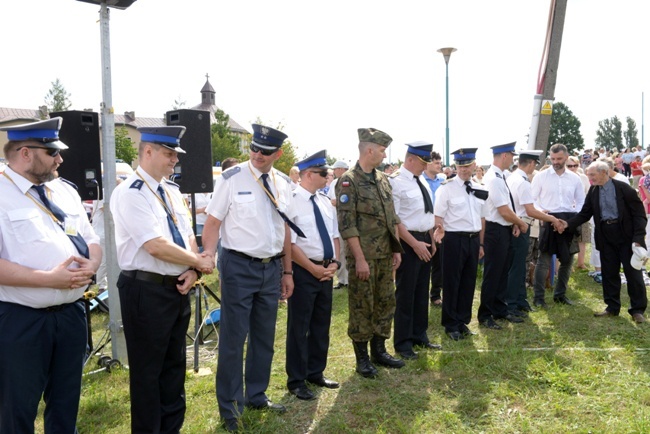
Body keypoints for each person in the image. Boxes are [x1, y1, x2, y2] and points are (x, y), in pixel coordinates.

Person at [0, 117, 101, 433]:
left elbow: (90, 237)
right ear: (25, 153)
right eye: (52, 152)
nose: (60, 159)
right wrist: (48, 280)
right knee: (17, 408)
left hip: (71, 315)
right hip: (21, 321)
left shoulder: (64, 190)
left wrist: (92, 264)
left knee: (65, 403)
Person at [111, 126, 213, 434]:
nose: (174, 161)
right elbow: (154, 245)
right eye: (169, 154)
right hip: (145, 291)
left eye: (176, 155)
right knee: (147, 375)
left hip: (177, 289)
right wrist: (199, 261)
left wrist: (194, 269)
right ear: (148, 152)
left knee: (173, 369)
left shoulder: (171, 191)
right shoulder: (131, 193)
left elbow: (184, 238)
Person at [202, 124, 295, 432]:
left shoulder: (282, 182)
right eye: (253, 148)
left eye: (264, 152)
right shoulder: (231, 179)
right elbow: (213, 222)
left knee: (263, 337)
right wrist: (208, 257)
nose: (256, 154)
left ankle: (257, 393)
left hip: (271, 268)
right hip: (239, 266)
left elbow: (285, 230)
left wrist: (287, 270)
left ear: (277, 155)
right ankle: (230, 407)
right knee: (233, 339)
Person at [335, 127, 404, 378]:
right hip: (363, 257)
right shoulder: (348, 181)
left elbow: (391, 217)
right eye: (383, 150)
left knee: (386, 301)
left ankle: (379, 350)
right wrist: (360, 259)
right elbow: (347, 224)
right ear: (370, 149)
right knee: (363, 305)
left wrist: (396, 248)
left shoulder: (383, 179)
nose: (385, 156)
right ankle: (362, 358)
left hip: (385, 254)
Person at [560, 161, 647, 323]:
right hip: (606, 237)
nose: (589, 178)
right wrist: (567, 224)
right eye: (589, 175)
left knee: (633, 274)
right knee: (608, 273)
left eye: (592, 175)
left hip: (626, 236)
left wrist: (638, 238)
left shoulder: (624, 189)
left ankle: (637, 310)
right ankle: (612, 307)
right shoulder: (593, 191)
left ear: (604, 173)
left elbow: (639, 215)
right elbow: (585, 213)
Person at [286, 150, 341, 401]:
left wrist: (335, 263)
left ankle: (315, 372)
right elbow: (290, 244)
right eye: (323, 173)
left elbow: (334, 236)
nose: (327, 177)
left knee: (321, 323)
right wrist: (313, 268)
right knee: (300, 327)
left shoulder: (322, 201)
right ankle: (296, 380)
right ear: (308, 174)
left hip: (326, 270)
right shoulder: (292, 200)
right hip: (304, 271)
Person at [389, 142, 442, 360]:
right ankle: (403, 343)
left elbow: (426, 214)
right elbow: (395, 220)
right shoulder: (396, 182)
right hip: (408, 242)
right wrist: (415, 244)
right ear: (411, 160)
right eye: (423, 162)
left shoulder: (420, 180)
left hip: (425, 238)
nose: (426, 166)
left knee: (421, 291)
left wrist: (431, 238)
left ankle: (420, 335)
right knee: (406, 293)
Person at [433, 148, 487, 341]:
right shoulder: (446, 188)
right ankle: (450, 324)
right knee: (452, 282)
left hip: (473, 240)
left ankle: (462, 321)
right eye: (460, 166)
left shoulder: (479, 186)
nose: (464, 170)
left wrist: (481, 244)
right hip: (454, 239)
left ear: (474, 165)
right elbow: (438, 215)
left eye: (468, 166)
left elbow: (482, 218)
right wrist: (439, 233)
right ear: (456, 166)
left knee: (468, 281)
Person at [478, 143, 529, 329]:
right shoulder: (494, 178)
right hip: (495, 230)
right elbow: (503, 210)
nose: (513, 160)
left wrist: (514, 223)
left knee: (501, 273)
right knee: (493, 274)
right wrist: (521, 222)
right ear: (505, 156)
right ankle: (485, 315)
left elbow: (507, 210)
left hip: (503, 229)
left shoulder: (500, 176)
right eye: (511, 156)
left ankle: (499, 309)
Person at [506, 150, 561, 317]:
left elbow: (528, 206)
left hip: (518, 224)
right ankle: (513, 303)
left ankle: (521, 300)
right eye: (534, 164)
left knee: (520, 266)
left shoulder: (513, 177)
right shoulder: (522, 181)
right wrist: (551, 218)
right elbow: (529, 210)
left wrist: (540, 211)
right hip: (521, 226)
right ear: (531, 163)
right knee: (517, 268)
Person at [531, 143, 585, 307]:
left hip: (569, 220)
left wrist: (570, 221)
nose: (555, 161)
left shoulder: (575, 178)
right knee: (544, 260)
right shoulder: (541, 177)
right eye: (553, 158)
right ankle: (539, 298)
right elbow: (532, 200)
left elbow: (582, 201)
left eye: (559, 158)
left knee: (567, 260)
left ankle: (560, 295)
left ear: (566, 158)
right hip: (548, 219)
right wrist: (544, 213)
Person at [422, 152, 445, 307]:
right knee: (424, 262)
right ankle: (421, 294)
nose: (439, 165)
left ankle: (435, 294)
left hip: (440, 226)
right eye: (436, 162)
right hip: (424, 226)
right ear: (428, 163)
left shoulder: (443, 181)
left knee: (439, 262)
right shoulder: (420, 180)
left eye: (440, 162)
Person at [327, 160, 350, 289]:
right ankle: (342, 279)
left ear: (341, 169)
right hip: (337, 220)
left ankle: (351, 278)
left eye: (335, 169)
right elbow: (330, 200)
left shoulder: (353, 181)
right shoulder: (334, 183)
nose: (334, 172)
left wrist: (339, 203)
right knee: (340, 250)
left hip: (351, 221)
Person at [566, 156, 591, 270]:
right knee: (568, 240)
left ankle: (580, 263)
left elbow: (588, 193)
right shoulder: (562, 178)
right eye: (570, 166)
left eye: (575, 165)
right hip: (568, 212)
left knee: (583, 238)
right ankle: (567, 264)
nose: (572, 168)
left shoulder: (583, 178)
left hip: (582, 211)